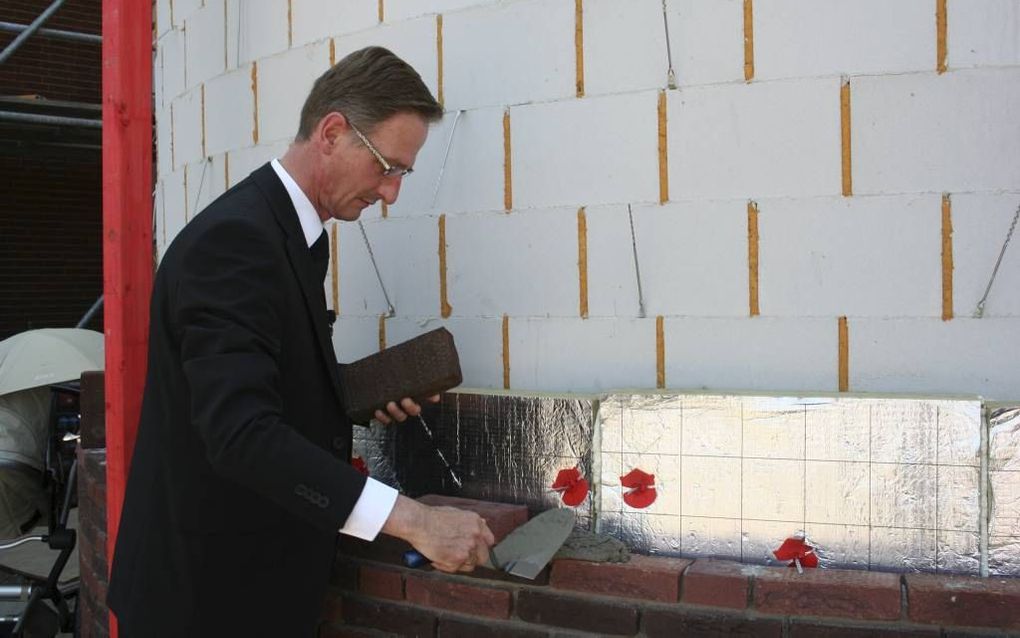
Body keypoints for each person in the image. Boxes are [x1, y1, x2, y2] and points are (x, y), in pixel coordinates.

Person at [107, 47, 494, 637]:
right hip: (205, 605)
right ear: (333, 133)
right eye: (387, 166)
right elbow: (239, 435)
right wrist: (412, 520)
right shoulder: (237, 242)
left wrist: (349, 395)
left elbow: (265, 371)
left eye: (403, 174)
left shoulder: (287, 232)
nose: (392, 193)